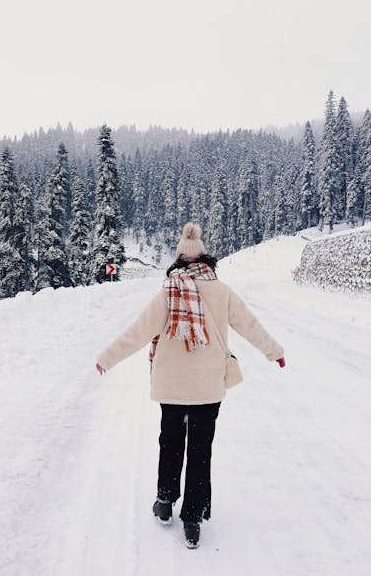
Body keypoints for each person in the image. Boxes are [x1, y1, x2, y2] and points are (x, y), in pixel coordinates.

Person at [95, 222, 285, 549]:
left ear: (179, 259)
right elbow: (249, 326)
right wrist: (274, 352)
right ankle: (193, 520)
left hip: (171, 387)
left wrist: (107, 358)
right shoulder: (222, 291)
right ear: (205, 259)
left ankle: (165, 503)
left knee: (170, 442)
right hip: (208, 389)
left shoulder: (168, 292)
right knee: (200, 451)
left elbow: (138, 332)